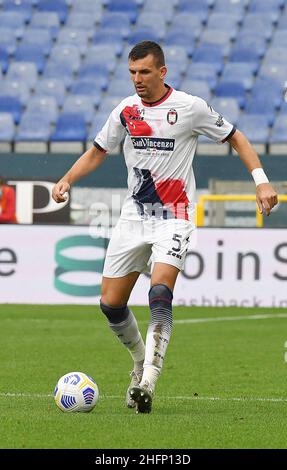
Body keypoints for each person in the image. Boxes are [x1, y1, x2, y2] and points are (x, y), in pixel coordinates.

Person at [52, 41, 278, 414]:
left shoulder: (189, 108)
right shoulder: (126, 110)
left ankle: (149, 382)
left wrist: (261, 180)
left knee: (159, 293)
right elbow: (97, 151)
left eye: (144, 72)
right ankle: (140, 361)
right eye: (132, 73)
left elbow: (235, 136)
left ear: (162, 72)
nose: (138, 80)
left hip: (175, 216)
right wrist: (67, 179)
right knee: (110, 304)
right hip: (133, 218)